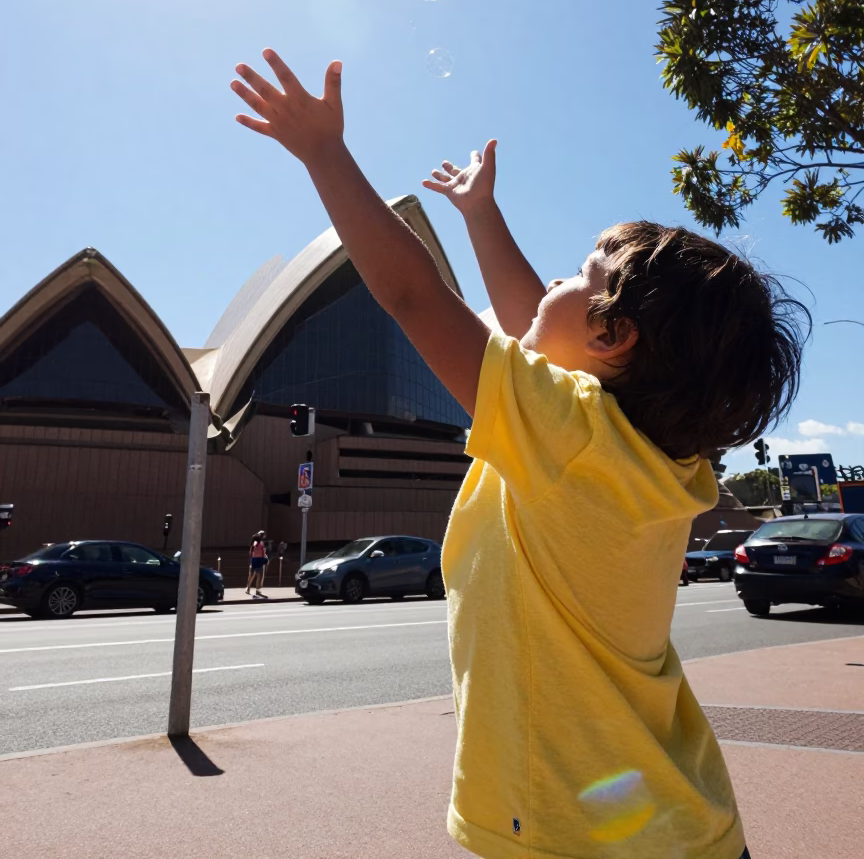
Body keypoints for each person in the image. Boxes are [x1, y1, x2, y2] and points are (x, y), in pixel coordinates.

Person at [230, 52, 807, 859]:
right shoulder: (644, 456)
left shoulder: (567, 434)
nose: (553, 288)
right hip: (678, 823)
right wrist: (479, 215)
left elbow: (414, 295)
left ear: (612, 336)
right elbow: (538, 319)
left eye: (583, 272)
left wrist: (324, 152)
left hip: (576, 831)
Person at [246, 530, 268, 598]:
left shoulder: (255, 542)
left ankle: (248, 588)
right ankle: (257, 590)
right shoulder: (259, 542)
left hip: (254, 559)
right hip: (258, 560)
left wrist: (250, 558)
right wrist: (264, 557)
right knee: (258, 575)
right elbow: (262, 551)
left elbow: (251, 550)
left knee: (252, 575)